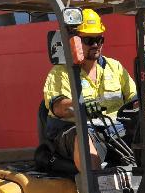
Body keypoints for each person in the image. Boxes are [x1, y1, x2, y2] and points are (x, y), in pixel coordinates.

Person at [43, 9, 136, 171]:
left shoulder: (115, 67)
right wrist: (81, 106)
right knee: (84, 137)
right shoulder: (61, 72)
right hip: (75, 130)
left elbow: (134, 99)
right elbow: (58, 107)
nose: (95, 44)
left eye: (99, 39)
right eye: (89, 40)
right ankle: (96, 191)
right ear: (75, 41)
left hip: (113, 128)